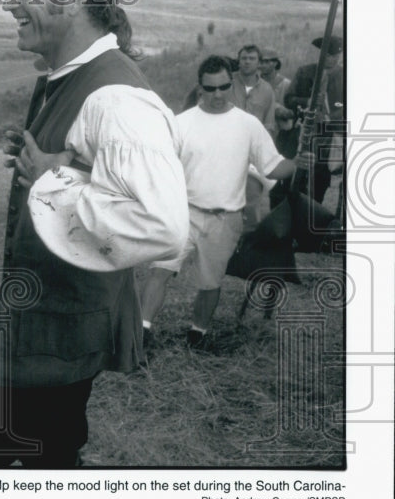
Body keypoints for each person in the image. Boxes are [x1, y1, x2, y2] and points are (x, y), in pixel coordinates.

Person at [0, 0, 188, 468]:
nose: (8, 3)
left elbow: (162, 226)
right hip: (48, 333)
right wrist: (50, 168)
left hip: (52, 339)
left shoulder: (116, 97)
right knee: (55, 452)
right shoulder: (71, 77)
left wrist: (54, 179)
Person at [139, 56, 296, 349]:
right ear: (200, 88)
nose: (218, 95)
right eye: (210, 89)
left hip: (226, 219)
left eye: (224, 87)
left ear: (231, 83)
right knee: (159, 271)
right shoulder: (180, 124)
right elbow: (159, 169)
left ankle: (198, 334)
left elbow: (273, 168)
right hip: (182, 214)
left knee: (210, 283)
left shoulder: (248, 125)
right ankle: (141, 331)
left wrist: (298, 163)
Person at [281, 35, 344, 204]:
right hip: (304, 132)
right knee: (295, 175)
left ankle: (314, 212)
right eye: (327, 55)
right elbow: (289, 99)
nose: (330, 59)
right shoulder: (305, 71)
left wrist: (330, 118)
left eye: (334, 56)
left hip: (329, 136)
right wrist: (306, 102)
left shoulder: (346, 75)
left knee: (320, 179)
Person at [229, 45, 278, 231]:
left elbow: (269, 125)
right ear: (238, 60)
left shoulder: (266, 90)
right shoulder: (227, 83)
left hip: (252, 155)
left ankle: (249, 245)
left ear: (259, 63)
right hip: (225, 150)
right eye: (244, 58)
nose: (247, 62)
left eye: (251, 58)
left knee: (252, 201)